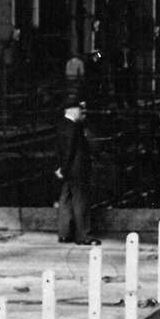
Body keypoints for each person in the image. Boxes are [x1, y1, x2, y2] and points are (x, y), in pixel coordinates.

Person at [55, 99, 97, 245]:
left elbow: (60, 150)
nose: (81, 112)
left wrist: (60, 168)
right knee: (81, 202)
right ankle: (83, 236)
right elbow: (69, 151)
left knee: (65, 200)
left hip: (67, 169)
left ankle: (64, 234)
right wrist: (66, 169)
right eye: (79, 109)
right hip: (77, 170)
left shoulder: (62, 125)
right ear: (71, 110)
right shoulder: (74, 127)